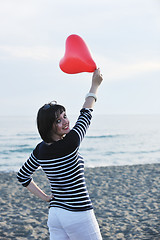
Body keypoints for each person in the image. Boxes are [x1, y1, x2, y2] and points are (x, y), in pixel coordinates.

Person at [17, 68, 103, 240]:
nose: (65, 121)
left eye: (65, 116)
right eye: (58, 120)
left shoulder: (40, 150)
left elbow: (23, 176)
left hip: (56, 214)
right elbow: (86, 113)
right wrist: (95, 85)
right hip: (78, 213)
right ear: (49, 126)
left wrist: (46, 198)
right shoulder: (70, 143)